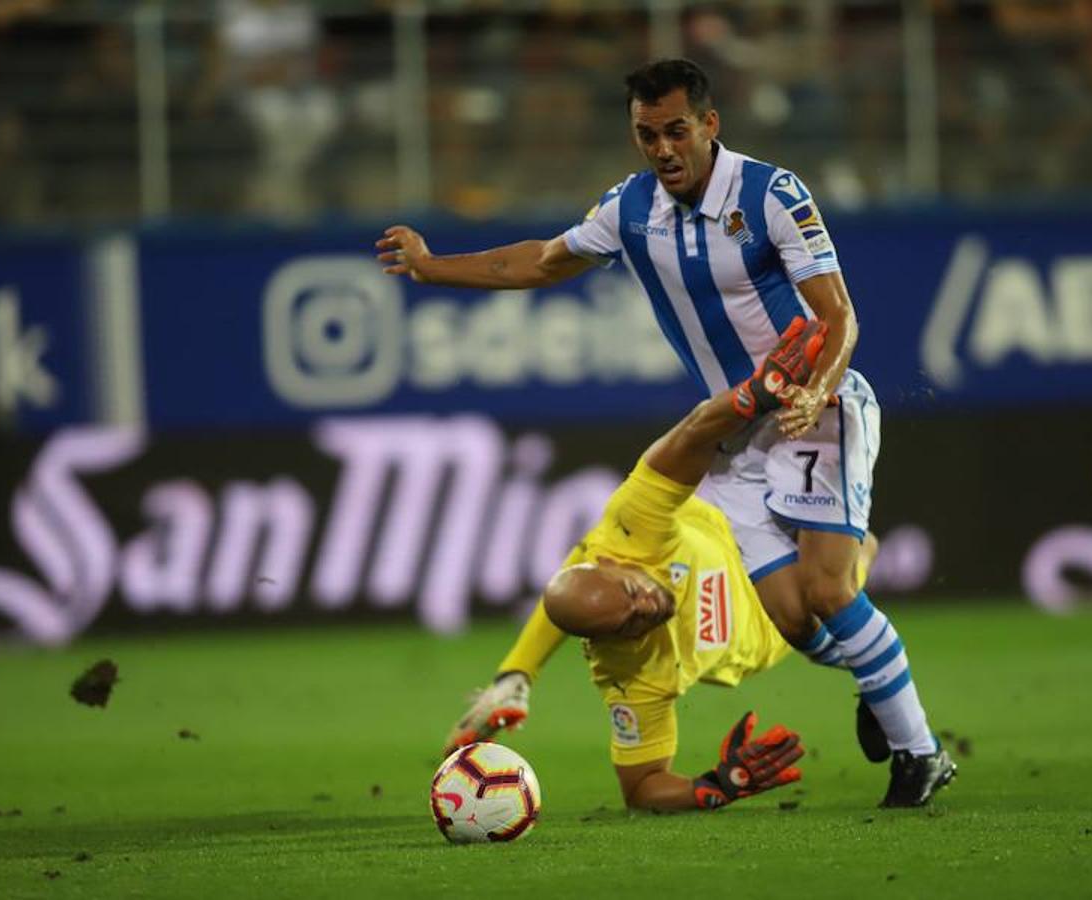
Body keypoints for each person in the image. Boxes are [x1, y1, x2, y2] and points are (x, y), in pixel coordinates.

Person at [379, 58, 953, 806]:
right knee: (792, 619)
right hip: (738, 437)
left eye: (676, 130)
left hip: (817, 404)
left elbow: (839, 316)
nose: (662, 149)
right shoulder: (630, 209)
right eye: (646, 134)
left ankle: (919, 754)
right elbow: (543, 261)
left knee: (825, 587)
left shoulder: (771, 194)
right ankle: (880, 687)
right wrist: (432, 269)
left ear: (709, 125)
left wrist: (812, 391)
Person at [504, 318, 910, 811]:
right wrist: (720, 784)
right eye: (629, 625)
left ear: (615, 563)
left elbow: (693, 435)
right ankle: (872, 672)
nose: (647, 609)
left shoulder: (629, 532)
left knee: (832, 567)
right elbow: (641, 789)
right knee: (848, 570)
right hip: (769, 632)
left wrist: (756, 394)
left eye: (633, 593)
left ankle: (879, 682)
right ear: (604, 643)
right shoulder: (628, 674)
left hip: (743, 520)